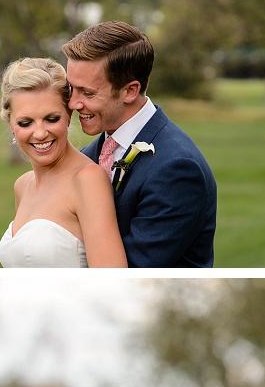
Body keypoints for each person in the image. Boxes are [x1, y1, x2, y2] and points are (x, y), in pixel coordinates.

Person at [63, 21, 218, 268]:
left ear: (130, 91)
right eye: (72, 88)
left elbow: (133, 274)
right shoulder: (87, 156)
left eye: (87, 93)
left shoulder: (177, 169)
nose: (73, 104)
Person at [0, 57, 128, 268]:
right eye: (26, 122)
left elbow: (111, 279)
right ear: (11, 123)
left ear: (68, 115)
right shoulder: (22, 185)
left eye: (52, 119)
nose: (40, 133)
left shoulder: (87, 180)